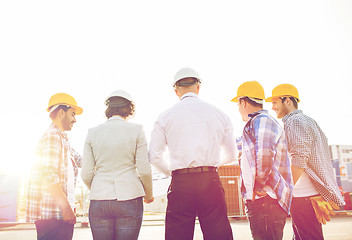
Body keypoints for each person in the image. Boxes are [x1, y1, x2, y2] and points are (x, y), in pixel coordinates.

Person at [149, 67, 235, 240]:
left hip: (181, 182)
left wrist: (171, 172)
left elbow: (154, 156)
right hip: (210, 180)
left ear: (176, 90)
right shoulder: (220, 114)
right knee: (218, 235)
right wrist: (212, 166)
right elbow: (232, 155)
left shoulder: (165, 117)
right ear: (198, 87)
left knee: (177, 236)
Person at [266, 83, 345, 240]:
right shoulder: (308, 120)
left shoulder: (295, 121)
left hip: (303, 196)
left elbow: (299, 158)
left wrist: (286, 189)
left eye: (275, 102)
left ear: (287, 100)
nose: (273, 107)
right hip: (306, 195)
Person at [81, 90, 154, 240]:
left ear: (108, 109)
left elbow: (86, 174)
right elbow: (144, 170)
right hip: (130, 196)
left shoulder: (92, 132)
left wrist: (98, 188)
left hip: (99, 198)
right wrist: (148, 194)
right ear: (130, 109)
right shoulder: (137, 130)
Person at [231, 81, 293, 240]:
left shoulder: (262, 120)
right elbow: (238, 149)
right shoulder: (255, 124)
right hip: (262, 201)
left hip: (266, 201)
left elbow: (264, 158)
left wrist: (258, 187)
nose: (238, 109)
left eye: (238, 104)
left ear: (243, 102)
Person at [26, 93, 83, 240]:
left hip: (58, 214)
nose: (75, 120)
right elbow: (49, 174)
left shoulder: (63, 139)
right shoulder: (52, 136)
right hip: (52, 215)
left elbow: (82, 161)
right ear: (61, 113)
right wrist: (66, 208)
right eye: (73, 114)